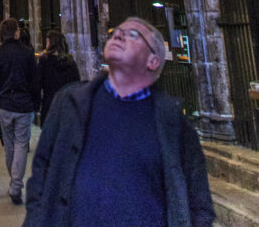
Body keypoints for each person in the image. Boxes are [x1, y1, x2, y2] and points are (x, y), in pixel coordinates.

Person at [24, 17, 215, 227]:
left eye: (134, 35)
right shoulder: (70, 103)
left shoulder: (173, 123)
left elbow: (199, 202)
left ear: (152, 61)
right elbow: (42, 171)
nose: (119, 35)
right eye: (118, 32)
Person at [0, 17, 40, 204]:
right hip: (23, 104)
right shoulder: (27, 54)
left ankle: (15, 183)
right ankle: (16, 184)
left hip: (5, 104)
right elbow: (34, 81)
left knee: (10, 145)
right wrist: (35, 103)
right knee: (21, 145)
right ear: (16, 33)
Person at [37, 28, 80, 126]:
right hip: (66, 106)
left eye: (47, 42)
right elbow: (77, 85)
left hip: (50, 105)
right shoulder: (70, 62)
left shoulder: (44, 62)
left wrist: (36, 104)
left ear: (51, 43)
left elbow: (38, 84)